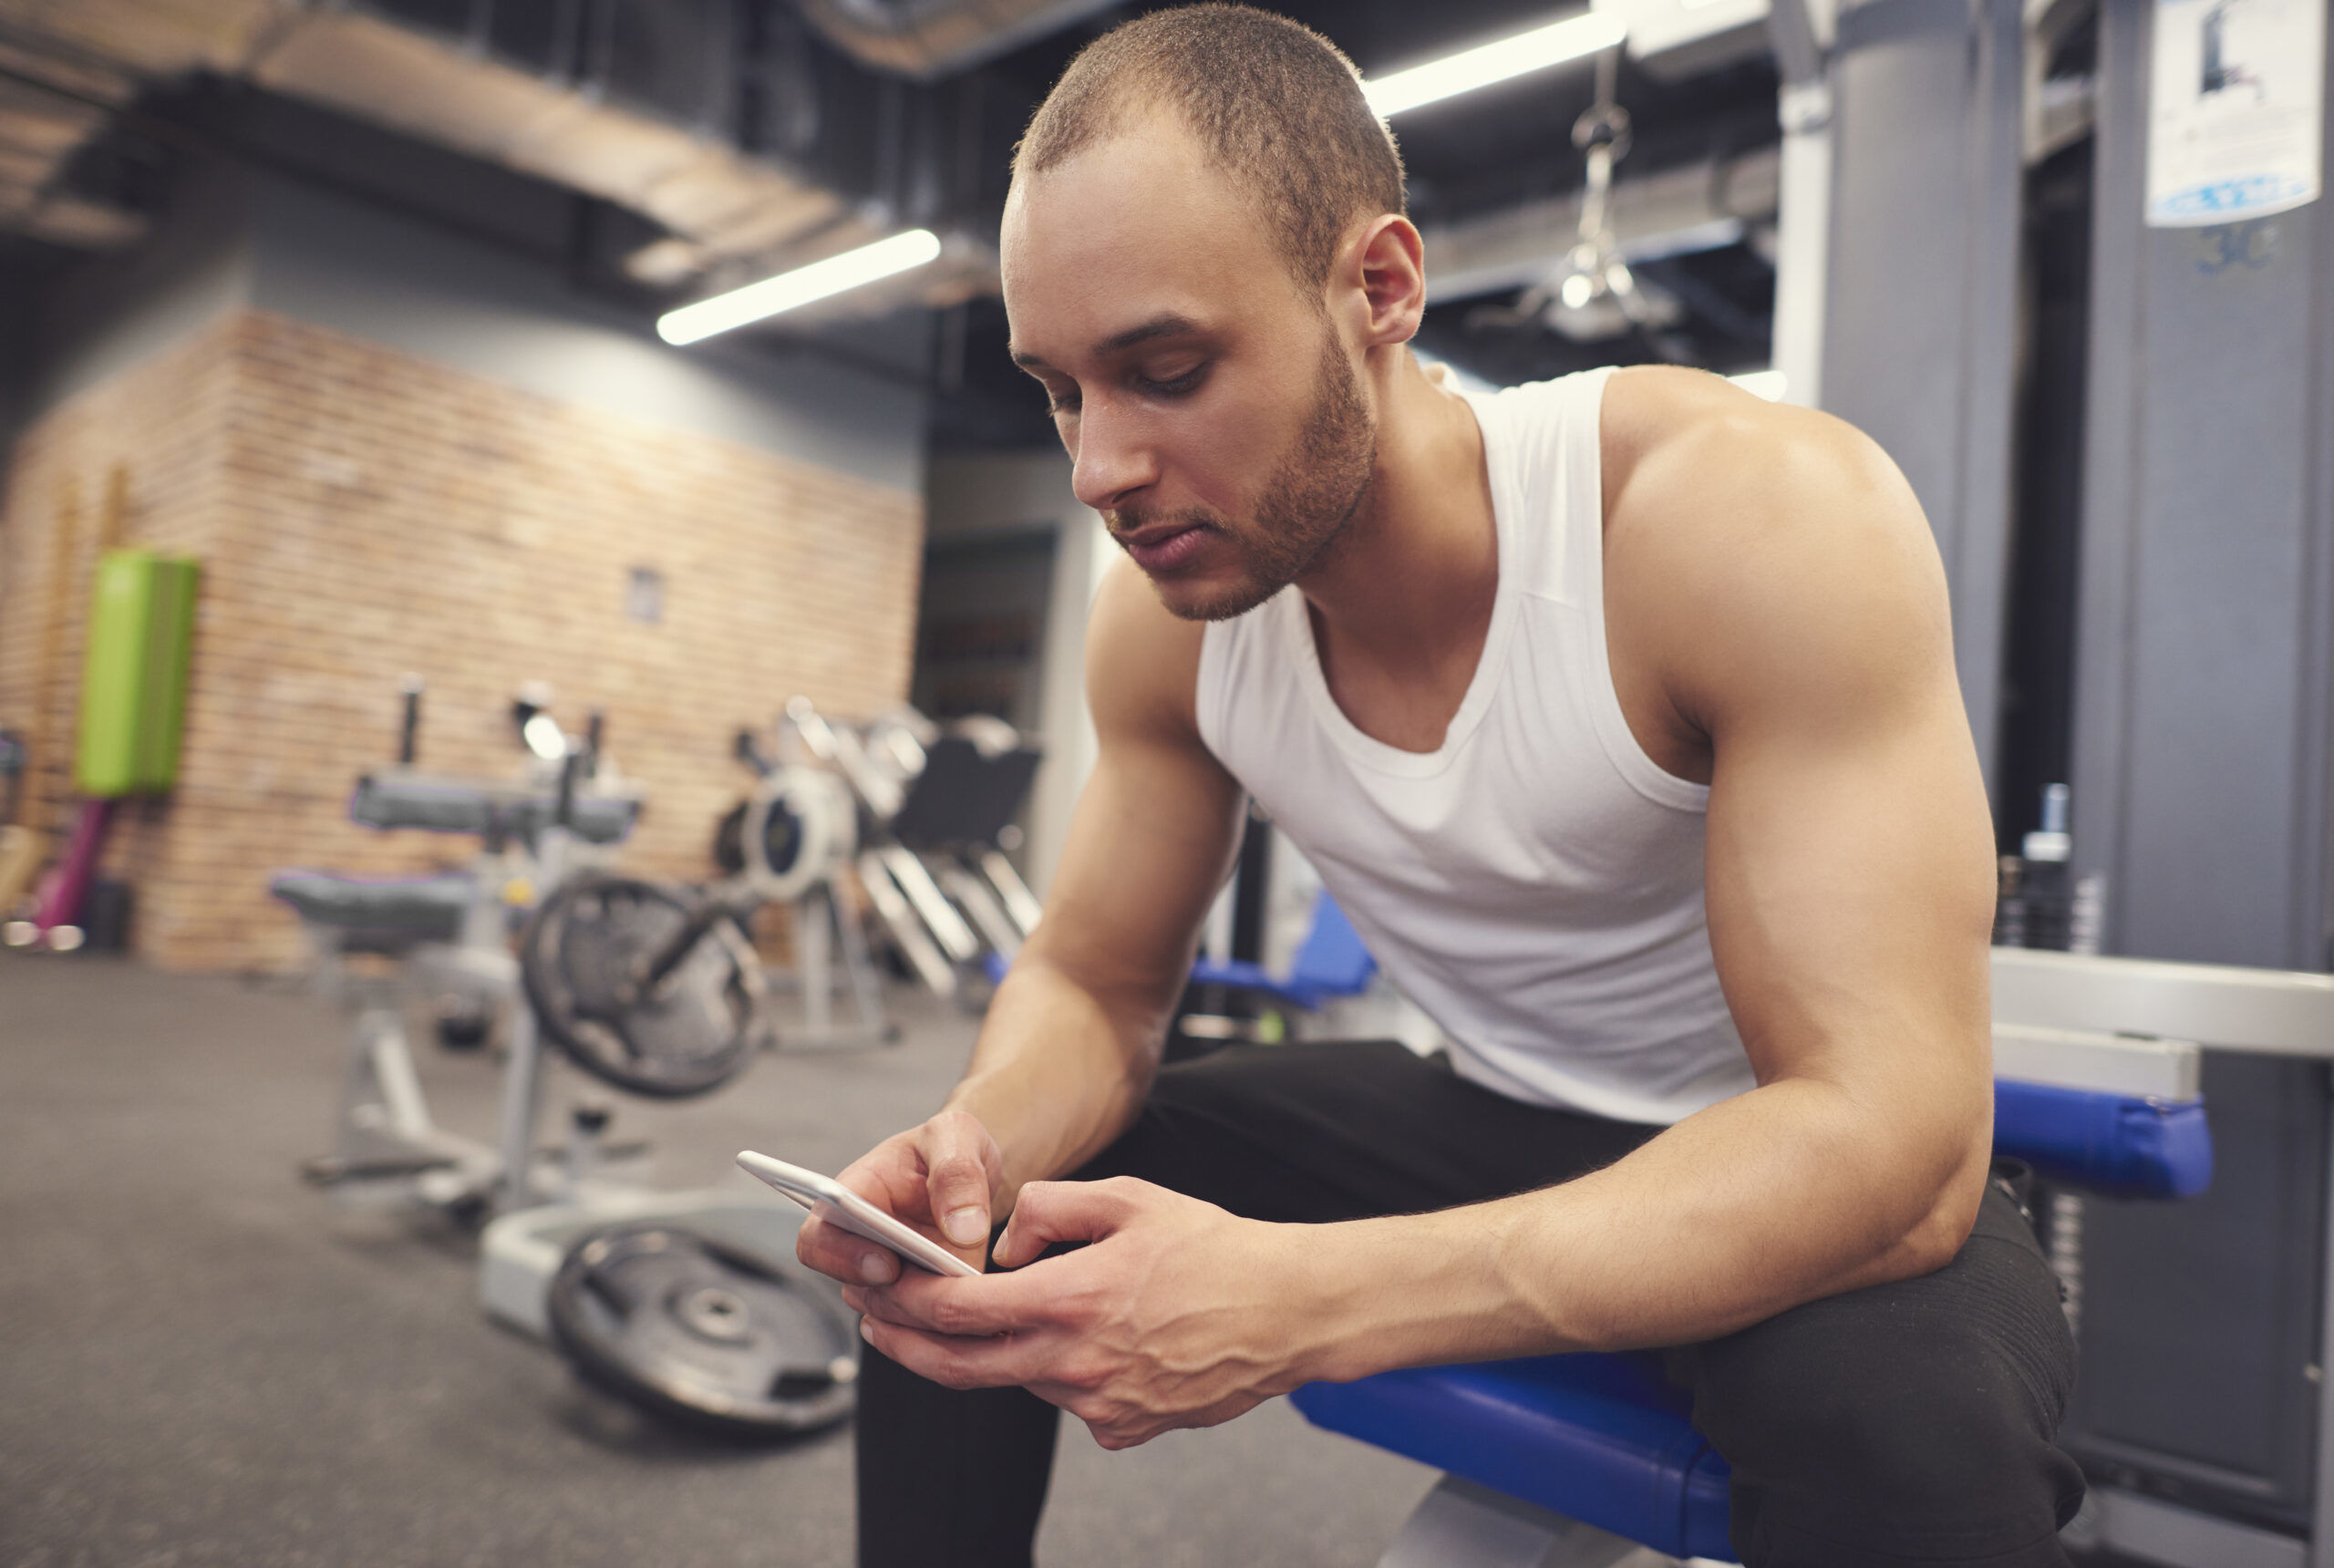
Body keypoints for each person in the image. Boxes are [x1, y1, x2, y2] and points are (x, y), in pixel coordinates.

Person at [798, 7, 2081, 1565]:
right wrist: (982, 1139)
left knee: (1923, 1457)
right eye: (1065, 390)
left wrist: (1303, 1303)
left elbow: (1892, 1135)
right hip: (1479, 1107)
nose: (1099, 468)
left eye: (1167, 369)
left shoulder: (1736, 520)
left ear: (1380, 288)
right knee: (960, 1245)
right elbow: (1093, 977)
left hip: (1783, 1146)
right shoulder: (1165, 621)